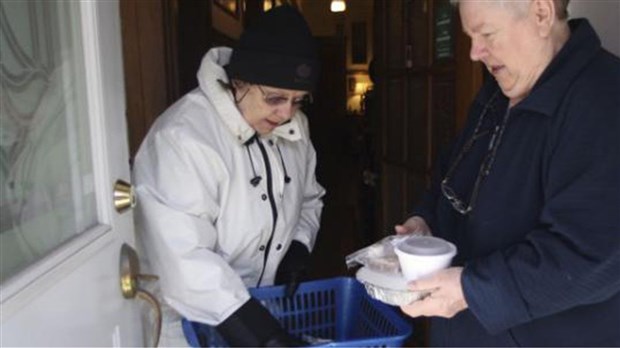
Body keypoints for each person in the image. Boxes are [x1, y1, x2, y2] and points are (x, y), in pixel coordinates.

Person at [394, 0, 620, 346]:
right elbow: (454, 176)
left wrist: (471, 290)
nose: (474, 53)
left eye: (486, 34)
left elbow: (592, 254)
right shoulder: (498, 93)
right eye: (470, 36)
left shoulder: (604, 99)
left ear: (541, 14)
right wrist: (425, 222)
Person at [132, 5, 325, 347]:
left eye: (298, 100)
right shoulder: (183, 137)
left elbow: (309, 198)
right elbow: (183, 259)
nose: (286, 114)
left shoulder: (297, 127)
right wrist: (262, 337)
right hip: (187, 324)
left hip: (263, 311)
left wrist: (298, 245)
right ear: (239, 82)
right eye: (275, 98)